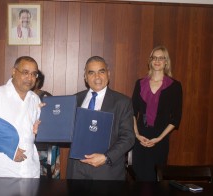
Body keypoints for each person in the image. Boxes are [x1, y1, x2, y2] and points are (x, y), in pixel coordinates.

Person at [66, 56, 135, 180]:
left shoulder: (122, 102)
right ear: (85, 77)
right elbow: (64, 130)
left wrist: (106, 157)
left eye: (101, 72)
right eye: (91, 73)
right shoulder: (74, 100)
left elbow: (128, 138)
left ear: (108, 74)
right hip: (76, 170)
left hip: (107, 171)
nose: (97, 77)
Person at [0, 56, 41, 178]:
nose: (30, 78)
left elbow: (32, 133)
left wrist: (42, 126)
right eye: (25, 72)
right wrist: (11, 149)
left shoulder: (35, 99)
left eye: (34, 74)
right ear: (14, 71)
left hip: (29, 170)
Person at [132, 45, 183, 181]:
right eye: (154, 57)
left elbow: (176, 118)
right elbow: (132, 112)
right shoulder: (139, 83)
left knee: (155, 179)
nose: (157, 60)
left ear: (166, 62)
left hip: (160, 140)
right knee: (139, 177)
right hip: (140, 140)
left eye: (161, 58)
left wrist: (159, 138)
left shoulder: (175, 86)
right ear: (150, 61)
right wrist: (137, 135)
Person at [32, 70, 60, 179]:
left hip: (46, 146)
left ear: (39, 81)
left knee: (49, 181)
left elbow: (55, 122)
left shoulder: (47, 97)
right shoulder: (22, 97)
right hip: (28, 145)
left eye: (35, 77)